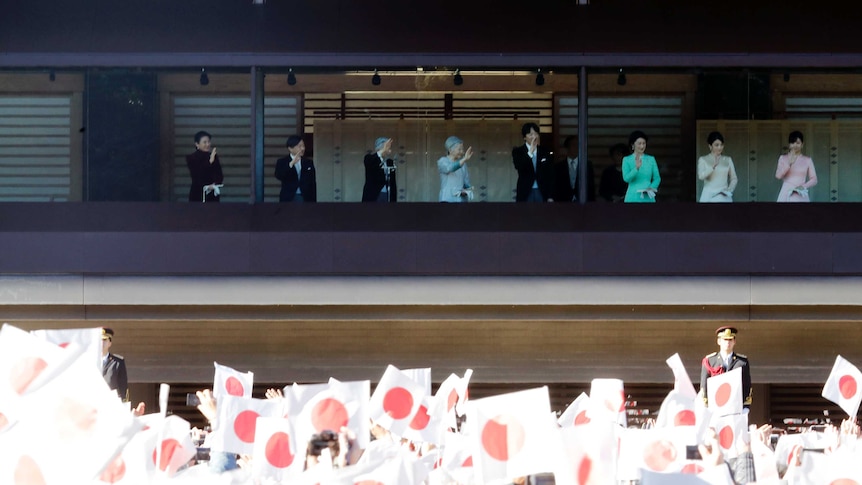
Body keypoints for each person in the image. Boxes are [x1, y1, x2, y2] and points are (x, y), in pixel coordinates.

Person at [700, 326, 752, 409]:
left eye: (730, 339)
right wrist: (706, 406)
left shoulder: (742, 362)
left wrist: (745, 407)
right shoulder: (710, 361)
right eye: (725, 339)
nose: (728, 343)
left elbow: (747, 386)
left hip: (735, 407)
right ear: (719, 341)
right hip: (715, 407)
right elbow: (704, 386)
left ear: (734, 341)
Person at [512, 122, 555, 202]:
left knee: (542, 213)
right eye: (531, 134)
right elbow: (519, 166)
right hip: (526, 190)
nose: (534, 137)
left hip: (542, 190)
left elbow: (550, 174)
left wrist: (550, 195)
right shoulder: (518, 151)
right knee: (526, 213)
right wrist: (530, 153)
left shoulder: (544, 151)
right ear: (524, 137)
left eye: (536, 134)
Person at [775, 130, 817, 202]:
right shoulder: (783, 158)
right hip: (786, 193)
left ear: (802, 144)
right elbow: (778, 176)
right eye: (792, 143)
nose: (795, 145)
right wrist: (789, 163)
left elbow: (814, 179)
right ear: (789, 144)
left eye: (798, 143)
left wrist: (803, 187)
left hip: (800, 193)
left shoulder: (807, 160)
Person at [697, 131, 738, 203]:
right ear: (710, 146)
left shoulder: (728, 159)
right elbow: (701, 176)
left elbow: (734, 178)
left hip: (724, 196)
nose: (719, 147)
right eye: (716, 145)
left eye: (721, 145)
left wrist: (729, 191)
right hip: (708, 196)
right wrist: (712, 167)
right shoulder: (703, 159)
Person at [621, 130, 661, 203]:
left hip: (648, 197)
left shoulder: (651, 159)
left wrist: (651, 188)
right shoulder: (627, 160)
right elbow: (626, 178)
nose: (642, 146)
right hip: (632, 197)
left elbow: (657, 178)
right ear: (633, 145)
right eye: (639, 143)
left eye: (644, 143)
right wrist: (636, 168)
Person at [275, 135, 317, 202]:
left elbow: (312, 183)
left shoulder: (308, 162)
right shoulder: (282, 161)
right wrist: (291, 164)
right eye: (299, 146)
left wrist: (314, 200)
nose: (302, 148)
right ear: (290, 148)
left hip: (306, 197)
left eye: (303, 146)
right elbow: (279, 175)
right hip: (289, 196)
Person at [554, 135, 595, 203]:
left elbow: (591, 186)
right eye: (573, 145)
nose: (576, 147)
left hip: (582, 201)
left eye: (578, 145)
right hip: (563, 201)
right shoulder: (558, 166)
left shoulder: (587, 165)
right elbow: (556, 186)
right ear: (567, 148)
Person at [185, 131, 224, 203]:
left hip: (212, 194)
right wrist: (210, 162)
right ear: (197, 144)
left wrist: (215, 184)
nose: (208, 144)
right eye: (205, 142)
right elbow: (197, 175)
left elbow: (219, 174)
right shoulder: (191, 158)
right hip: (197, 193)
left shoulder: (213, 156)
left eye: (209, 142)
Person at [438, 136, 474, 203]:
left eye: (462, 149)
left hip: (461, 201)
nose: (462, 152)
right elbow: (450, 168)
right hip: (447, 200)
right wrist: (464, 159)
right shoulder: (443, 161)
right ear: (450, 150)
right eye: (459, 149)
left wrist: (467, 191)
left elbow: (466, 183)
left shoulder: (463, 165)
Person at [361, 137, 397, 202]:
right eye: (388, 147)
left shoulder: (390, 162)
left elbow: (392, 182)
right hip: (373, 195)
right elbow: (371, 165)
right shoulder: (369, 158)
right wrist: (383, 150)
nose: (390, 149)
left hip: (388, 195)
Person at [101, 327, 128, 401]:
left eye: (104, 340)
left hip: (111, 402)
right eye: (99, 340)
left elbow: (123, 386)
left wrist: (123, 403)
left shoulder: (118, 362)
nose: (102, 343)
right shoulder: (90, 361)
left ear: (110, 343)